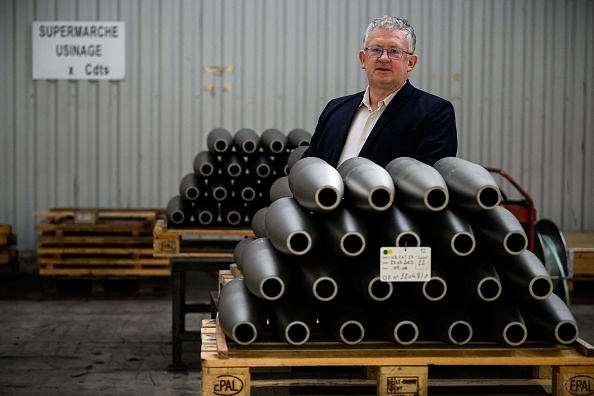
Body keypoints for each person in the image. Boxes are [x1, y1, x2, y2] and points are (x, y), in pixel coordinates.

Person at [302, 16, 457, 168]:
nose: (384, 58)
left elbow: (427, 182)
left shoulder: (434, 114)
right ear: (363, 59)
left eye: (394, 51)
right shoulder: (335, 109)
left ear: (410, 63)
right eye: (376, 50)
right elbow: (309, 168)